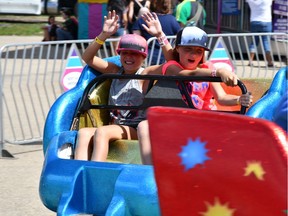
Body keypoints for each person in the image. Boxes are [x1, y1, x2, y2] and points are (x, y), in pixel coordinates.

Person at [137, 12, 253, 164]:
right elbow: (188, 73)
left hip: (203, 122)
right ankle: (150, 172)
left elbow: (222, 98)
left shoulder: (208, 66)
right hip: (179, 121)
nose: (193, 54)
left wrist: (240, 99)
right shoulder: (172, 67)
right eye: (188, 49)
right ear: (178, 49)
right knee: (143, 126)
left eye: (198, 51)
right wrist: (218, 71)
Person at [74, 11, 149, 161]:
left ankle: (97, 173)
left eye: (134, 54)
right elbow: (87, 58)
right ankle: (80, 173)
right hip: (114, 126)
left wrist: (160, 36)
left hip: (134, 129)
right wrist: (104, 34)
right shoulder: (115, 71)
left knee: (102, 132)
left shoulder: (144, 74)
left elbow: (170, 67)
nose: (129, 57)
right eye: (125, 53)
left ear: (143, 57)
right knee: (83, 133)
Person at [133, 0, 181, 65]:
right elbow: (179, 38)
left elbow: (136, 41)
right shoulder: (173, 20)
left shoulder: (144, 19)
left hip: (147, 59)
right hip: (168, 57)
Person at [246, 0, 274, 67]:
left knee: (254, 42)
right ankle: (269, 62)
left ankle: (250, 61)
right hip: (266, 22)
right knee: (266, 42)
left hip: (254, 22)